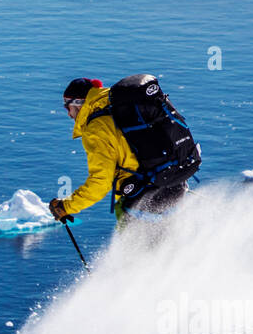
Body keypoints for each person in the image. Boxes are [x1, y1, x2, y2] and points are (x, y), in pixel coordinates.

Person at [49, 77, 189, 226]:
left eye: (67, 107)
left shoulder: (96, 130)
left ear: (78, 103)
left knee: (139, 249)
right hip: (175, 183)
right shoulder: (121, 110)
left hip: (145, 200)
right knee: (173, 242)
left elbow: (101, 182)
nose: (69, 114)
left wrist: (66, 206)